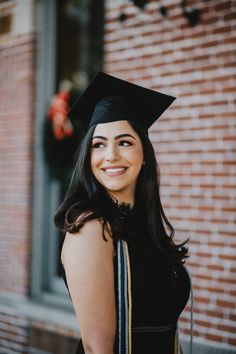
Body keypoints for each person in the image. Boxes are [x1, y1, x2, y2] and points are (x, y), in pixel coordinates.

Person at [54, 72, 191, 354]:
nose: (111, 155)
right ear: (88, 158)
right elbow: (97, 349)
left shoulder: (142, 226)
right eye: (99, 144)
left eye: (125, 142)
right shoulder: (91, 229)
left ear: (144, 156)